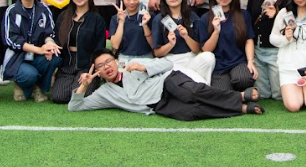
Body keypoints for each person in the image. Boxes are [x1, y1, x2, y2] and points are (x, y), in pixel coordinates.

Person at [67, 48, 264, 119]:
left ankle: (239, 96)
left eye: (108, 61)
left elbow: (167, 63)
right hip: (158, 105)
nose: (106, 67)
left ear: (116, 61)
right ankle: (240, 108)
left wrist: (144, 67)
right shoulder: (105, 92)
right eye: (100, 66)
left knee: (192, 93)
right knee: (190, 113)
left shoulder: (131, 65)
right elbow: (75, 107)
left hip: (168, 81)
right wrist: (84, 85)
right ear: (97, 72)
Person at [2, 0, 62, 102]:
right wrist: (39, 49)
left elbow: (49, 32)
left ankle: (39, 87)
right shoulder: (12, 11)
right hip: (17, 57)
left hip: (37, 56)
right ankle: (21, 85)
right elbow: (11, 39)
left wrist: (49, 43)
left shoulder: (44, 9)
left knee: (55, 58)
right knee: (29, 75)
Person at [50, 0, 108, 104]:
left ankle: (94, 81)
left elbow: (99, 49)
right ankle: (63, 80)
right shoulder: (64, 16)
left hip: (87, 64)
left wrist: (89, 70)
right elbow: (56, 40)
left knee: (78, 94)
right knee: (59, 97)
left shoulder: (97, 20)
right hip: (67, 65)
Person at [150, 0, 216, 81]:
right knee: (194, 78)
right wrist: (170, 44)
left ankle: (197, 84)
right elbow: (157, 53)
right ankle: (201, 85)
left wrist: (186, 37)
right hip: (170, 61)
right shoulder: (159, 19)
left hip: (190, 58)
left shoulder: (191, 16)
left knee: (209, 57)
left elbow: (197, 50)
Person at [200, 0, 258, 91]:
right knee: (221, 92)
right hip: (218, 67)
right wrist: (216, 31)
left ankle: (238, 93)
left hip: (238, 62)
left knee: (244, 79)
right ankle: (242, 97)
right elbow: (206, 50)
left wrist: (250, 61)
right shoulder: (205, 18)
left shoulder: (243, 15)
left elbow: (249, 39)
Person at [246, 0, 290, 100]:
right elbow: (249, 21)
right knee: (263, 94)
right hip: (258, 50)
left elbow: (291, 26)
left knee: (278, 94)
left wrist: (277, 16)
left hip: (276, 51)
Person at [109, 0, 154, 65]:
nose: (132, 2)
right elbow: (115, 45)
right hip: (124, 59)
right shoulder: (115, 18)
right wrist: (121, 22)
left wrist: (145, 25)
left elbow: (153, 44)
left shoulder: (148, 16)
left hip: (146, 57)